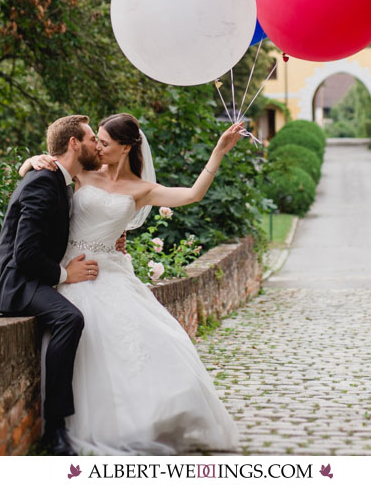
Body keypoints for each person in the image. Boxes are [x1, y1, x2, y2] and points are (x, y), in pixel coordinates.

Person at [18, 113, 246, 455]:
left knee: (144, 341)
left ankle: (143, 421)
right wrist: (28, 162)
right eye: (96, 138)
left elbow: (192, 195)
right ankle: (69, 428)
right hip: (73, 272)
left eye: (105, 142)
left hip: (109, 272)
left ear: (125, 148)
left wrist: (218, 151)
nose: (97, 145)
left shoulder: (141, 190)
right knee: (88, 337)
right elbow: (47, 171)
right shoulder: (83, 171)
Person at [0, 114, 102, 456]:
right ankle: (56, 431)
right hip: (16, 284)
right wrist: (66, 276)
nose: (96, 144)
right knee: (70, 319)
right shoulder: (42, 181)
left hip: (32, 278)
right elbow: (25, 253)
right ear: (74, 143)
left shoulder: (56, 179)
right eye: (91, 138)